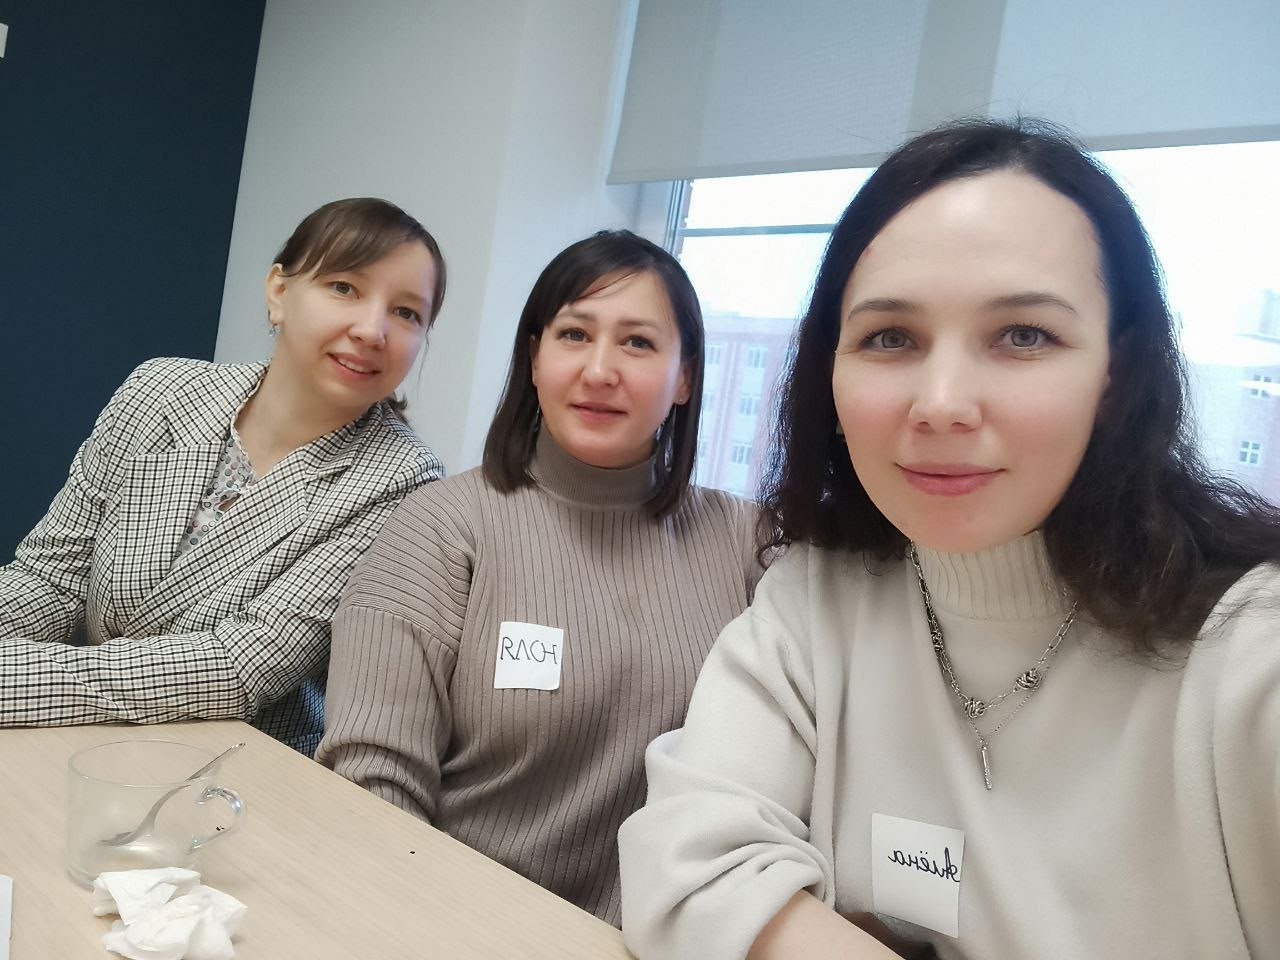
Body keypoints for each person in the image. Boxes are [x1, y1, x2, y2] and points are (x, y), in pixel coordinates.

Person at [617, 119, 1280, 960]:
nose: (941, 404)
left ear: (1115, 375)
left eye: (1024, 335)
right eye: (890, 338)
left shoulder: (1249, 650)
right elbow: (685, 869)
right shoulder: (816, 599)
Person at [317, 229, 762, 924]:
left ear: (685, 378)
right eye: (574, 335)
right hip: (448, 926)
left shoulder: (748, 543)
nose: (600, 370)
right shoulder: (440, 526)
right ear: (534, 358)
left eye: (638, 343)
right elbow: (372, 784)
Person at [0, 197, 447, 755]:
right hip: (76, 736)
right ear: (279, 292)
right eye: (344, 287)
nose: (372, 330)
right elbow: (49, 579)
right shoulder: (161, 391)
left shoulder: (404, 480)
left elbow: (238, 664)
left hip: (236, 767)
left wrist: (14, 681)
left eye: (407, 313)